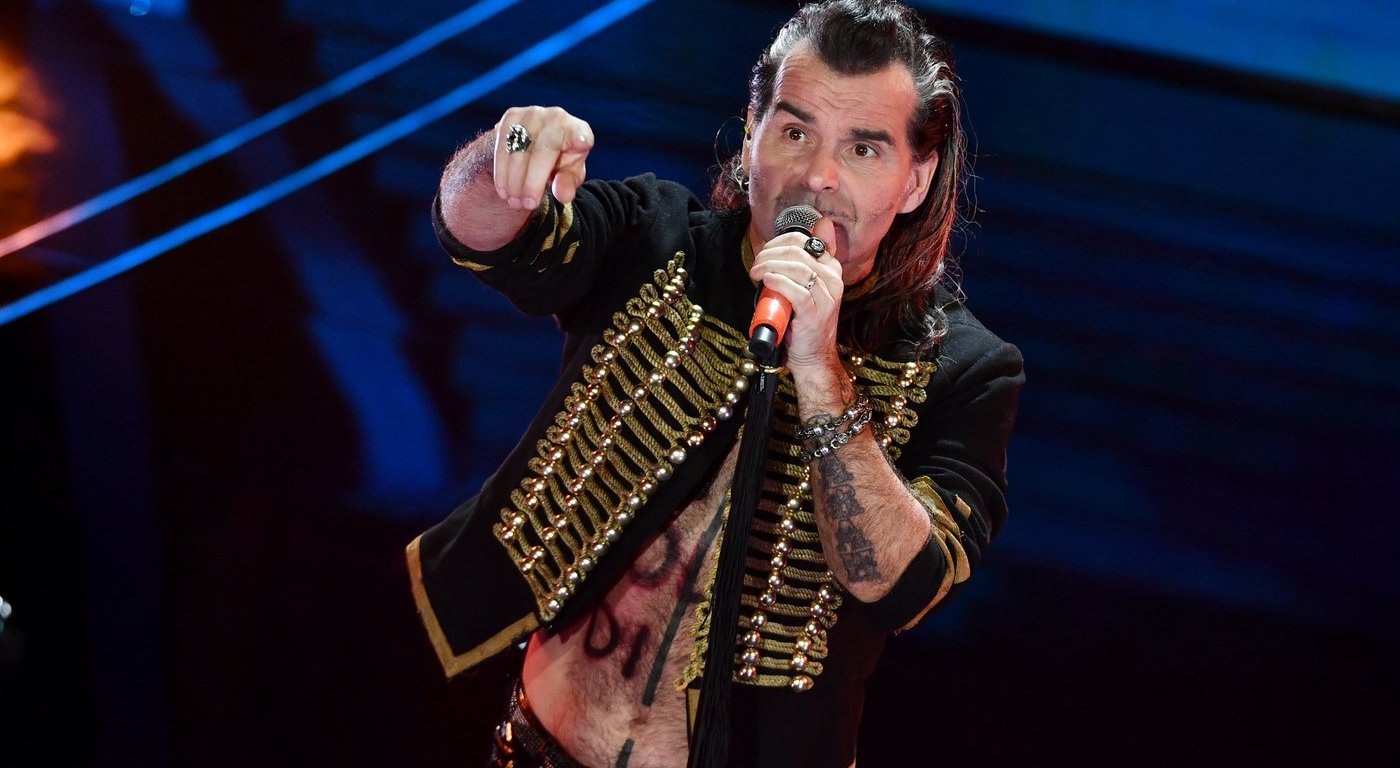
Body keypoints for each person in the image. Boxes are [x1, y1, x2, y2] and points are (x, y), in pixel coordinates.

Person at [406, 1, 1023, 765]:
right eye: (795, 133)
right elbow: (482, 236)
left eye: (864, 149)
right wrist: (508, 156)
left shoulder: (965, 369)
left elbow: (905, 586)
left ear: (916, 180)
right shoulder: (658, 239)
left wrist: (819, 369)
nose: (818, 176)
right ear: (752, 132)